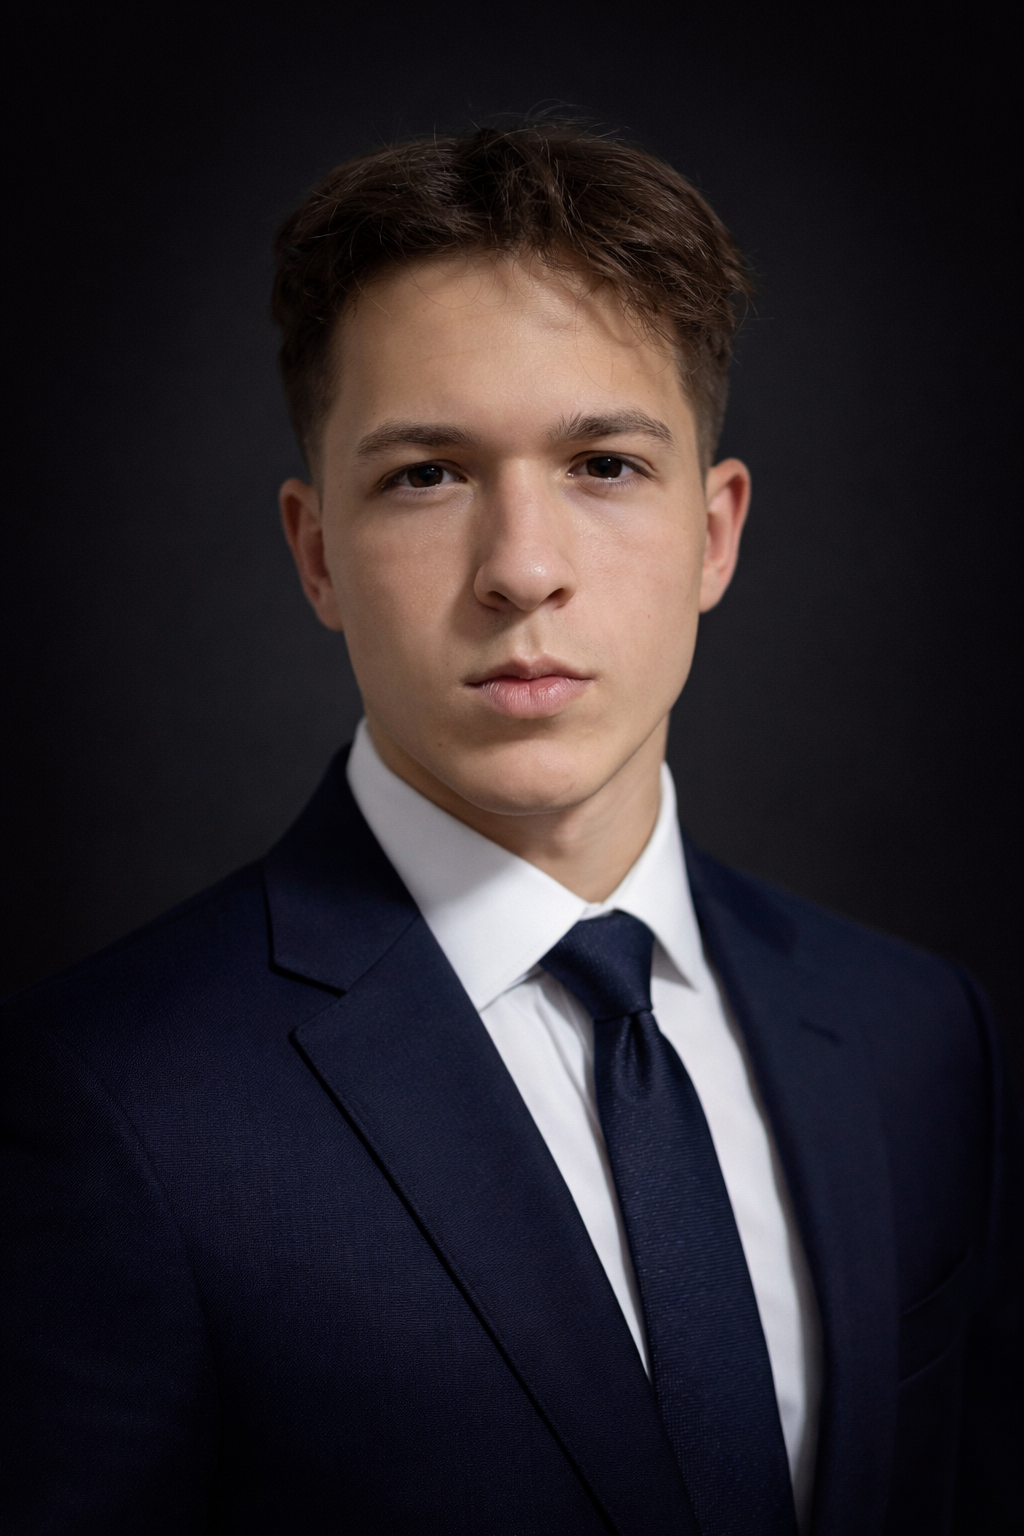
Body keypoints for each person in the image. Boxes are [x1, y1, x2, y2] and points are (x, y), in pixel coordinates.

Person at [1, 123, 1019, 1536]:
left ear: (715, 532)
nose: (522, 569)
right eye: (427, 474)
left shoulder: (921, 1035)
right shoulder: (100, 1103)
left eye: (604, 463)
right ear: (315, 554)